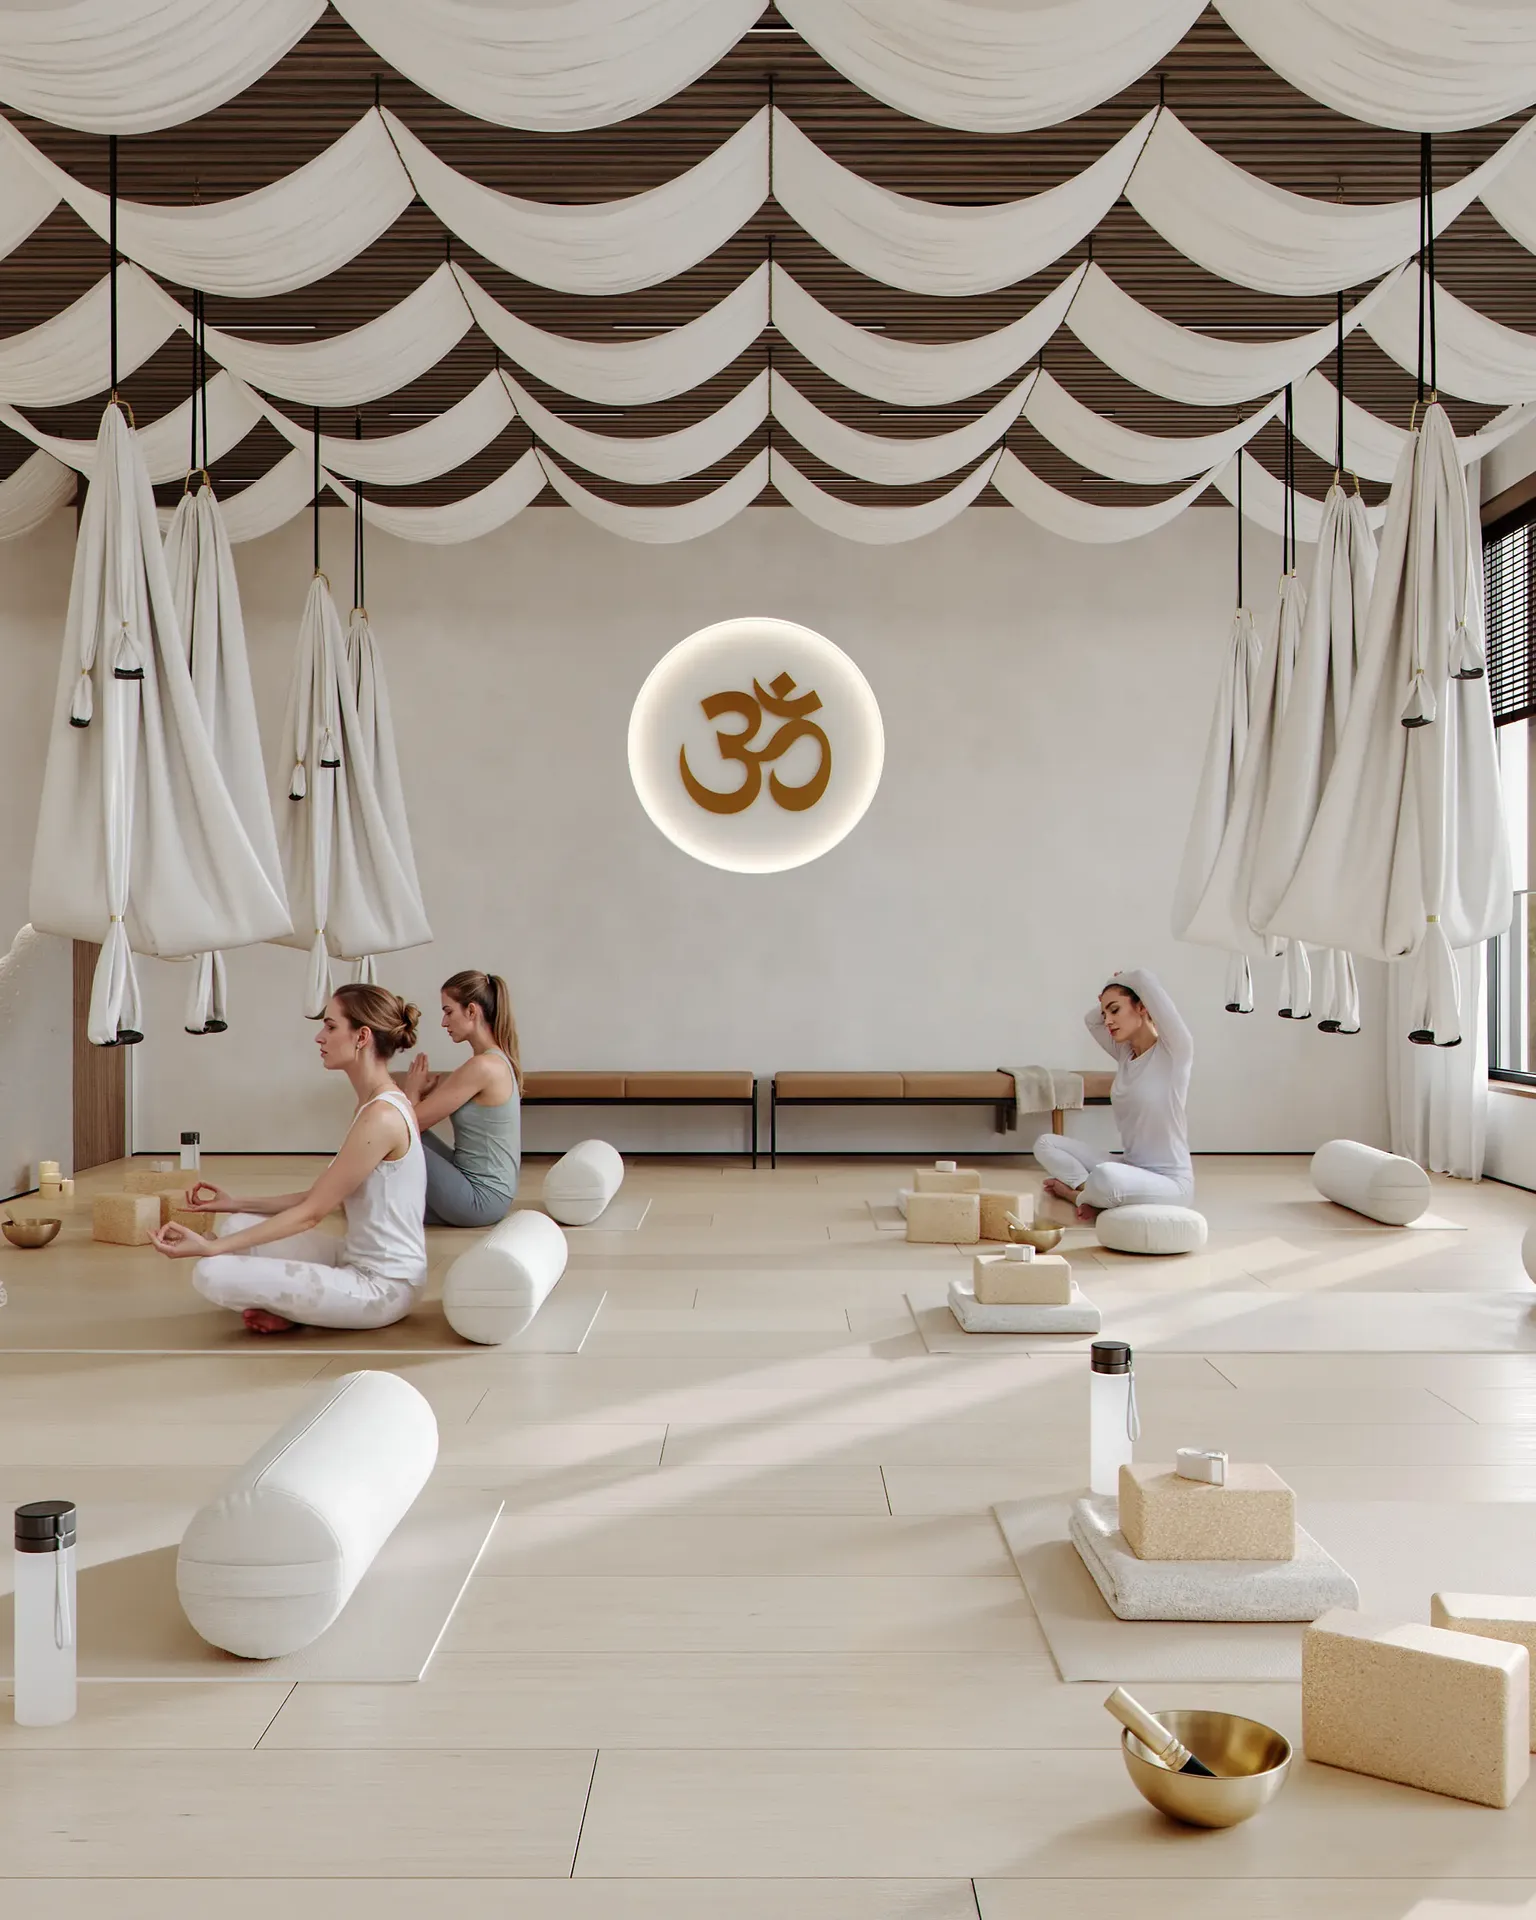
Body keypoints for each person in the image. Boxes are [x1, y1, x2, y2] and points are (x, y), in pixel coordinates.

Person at [151, 984, 427, 1334]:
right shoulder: (375, 1104)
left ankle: (296, 1309)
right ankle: (294, 1308)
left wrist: (210, 1247)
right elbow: (319, 1196)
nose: (319, 1037)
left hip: (384, 1286)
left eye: (330, 1026)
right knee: (238, 1224)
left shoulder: (382, 1117)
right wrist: (234, 1203)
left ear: (362, 1037)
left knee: (210, 1270)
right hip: (353, 1257)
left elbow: (312, 1213)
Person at [1033, 969, 1194, 1222]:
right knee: (1045, 1144)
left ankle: (1078, 1195)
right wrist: (1112, 992)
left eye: (1115, 1010)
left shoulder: (1175, 1052)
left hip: (1171, 1182)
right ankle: (1089, 1192)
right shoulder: (1124, 1054)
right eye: (1105, 1013)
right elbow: (1090, 1020)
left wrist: (1119, 980)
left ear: (1142, 1006)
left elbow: (1144, 978)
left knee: (1107, 1176)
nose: (1107, 1021)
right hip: (1129, 1167)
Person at [400, 969, 521, 1228]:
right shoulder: (493, 1060)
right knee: (393, 1134)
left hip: (481, 1200)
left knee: (389, 1131)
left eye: (448, 1011)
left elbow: (408, 1125)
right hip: (484, 1193)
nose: (444, 1022)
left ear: (471, 1011)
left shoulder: (482, 1067)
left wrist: (412, 1091)